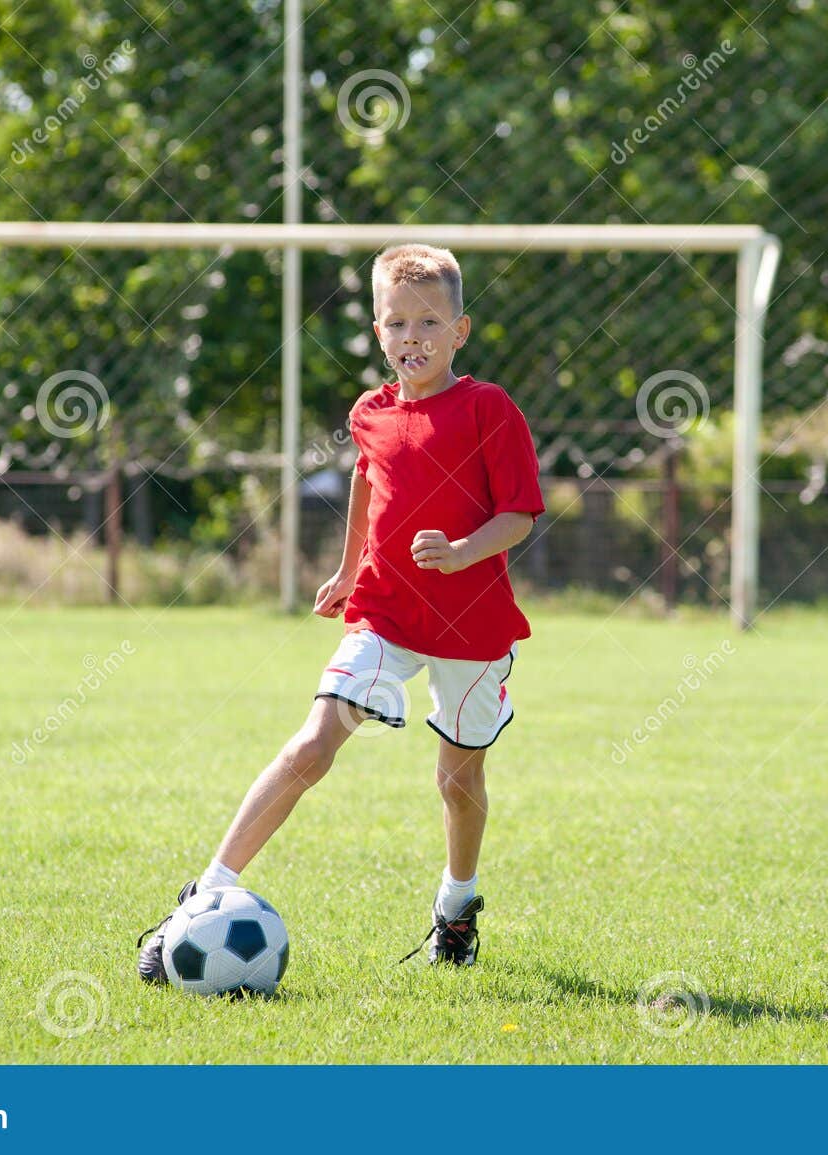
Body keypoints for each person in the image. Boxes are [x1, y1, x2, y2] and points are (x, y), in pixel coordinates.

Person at [137, 243, 544, 973]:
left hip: (472, 629)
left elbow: (519, 515)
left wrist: (461, 550)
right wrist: (349, 567)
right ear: (379, 332)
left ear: (460, 331)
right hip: (385, 615)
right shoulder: (370, 413)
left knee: (458, 780)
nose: (411, 338)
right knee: (312, 743)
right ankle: (204, 895)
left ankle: (457, 906)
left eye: (428, 323)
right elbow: (367, 480)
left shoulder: (489, 409)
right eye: (396, 323)